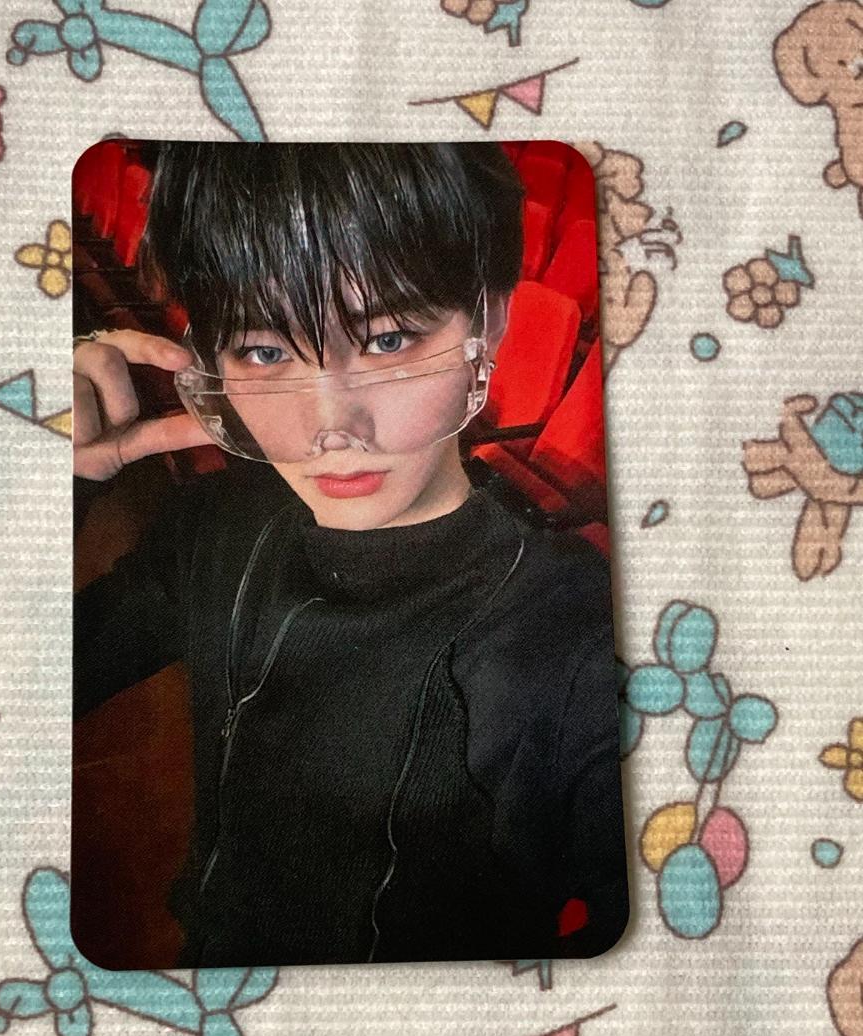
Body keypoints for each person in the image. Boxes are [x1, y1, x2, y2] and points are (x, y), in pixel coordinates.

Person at [72, 141, 629, 968]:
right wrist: (64, 482)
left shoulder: (573, 641)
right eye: (265, 352)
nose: (332, 428)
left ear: (490, 321)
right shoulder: (215, 529)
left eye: (389, 340)